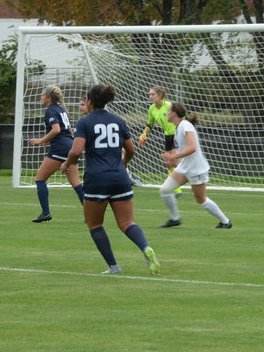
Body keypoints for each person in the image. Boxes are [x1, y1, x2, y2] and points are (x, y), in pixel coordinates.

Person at [61, 84, 160, 275]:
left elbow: (76, 151)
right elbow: (131, 150)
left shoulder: (84, 123)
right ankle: (146, 247)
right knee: (127, 223)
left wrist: (66, 164)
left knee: (95, 224)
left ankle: (114, 267)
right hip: (120, 177)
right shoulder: (118, 120)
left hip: (97, 179)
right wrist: (123, 164)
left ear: (89, 101)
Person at [158, 102, 233, 229]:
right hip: (185, 167)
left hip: (196, 169)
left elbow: (192, 147)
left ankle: (226, 222)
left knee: (200, 199)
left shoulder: (185, 125)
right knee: (165, 190)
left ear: (174, 113)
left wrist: (173, 157)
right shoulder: (179, 127)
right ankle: (175, 219)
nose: (166, 113)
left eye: (168, 110)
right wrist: (173, 161)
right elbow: (181, 150)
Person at [29, 85, 84, 223]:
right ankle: (91, 215)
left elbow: (56, 130)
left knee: (40, 179)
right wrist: (49, 140)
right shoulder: (61, 109)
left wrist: (41, 140)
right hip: (70, 146)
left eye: (43, 94)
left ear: (48, 98)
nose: (41, 96)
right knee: (76, 183)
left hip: (60, 148)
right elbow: (68, 129)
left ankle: (45, 213)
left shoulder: (50, 110)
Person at [137, 86, 180, 196]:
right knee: (169, 164)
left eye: (153, 94)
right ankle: (177, 190)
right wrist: (143, 134)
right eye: (149, 94)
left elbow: (181, 119)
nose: (150, 96)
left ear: (160, 95)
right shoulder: (151, 108)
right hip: (167, 136)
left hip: (177, 134)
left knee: (174, 162)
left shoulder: (169, 106)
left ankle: (189, 180)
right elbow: (149, 124)